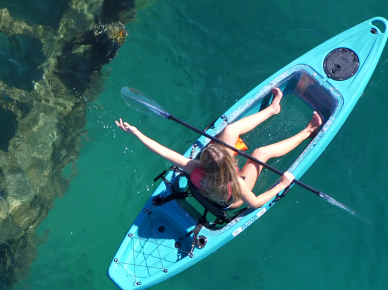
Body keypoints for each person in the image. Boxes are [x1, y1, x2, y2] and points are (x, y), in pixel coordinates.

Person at [116, 87, 322, 210]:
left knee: (231, 130)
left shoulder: (194, 167)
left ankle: (272, 109)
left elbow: (163, 151)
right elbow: (256, 203)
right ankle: (308, 132)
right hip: (232, 200)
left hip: (212, 185)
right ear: (231, 163)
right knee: (260, 153)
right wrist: (282, 184)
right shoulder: (237, 185)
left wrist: (137, 133)